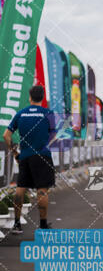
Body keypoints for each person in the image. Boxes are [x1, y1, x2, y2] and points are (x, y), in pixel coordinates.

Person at [3, 85, 56, 233]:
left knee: (20, 189)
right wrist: (44, 144)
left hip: (25, 155)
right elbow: (55, 135)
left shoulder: (21, 113)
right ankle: (43, 225)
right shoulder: (48, 113)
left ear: (30, 97)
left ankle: (17, 224)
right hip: (42, 155)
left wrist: (15, 154)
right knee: (42, 190)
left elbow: (6, 136)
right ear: (43, 98)